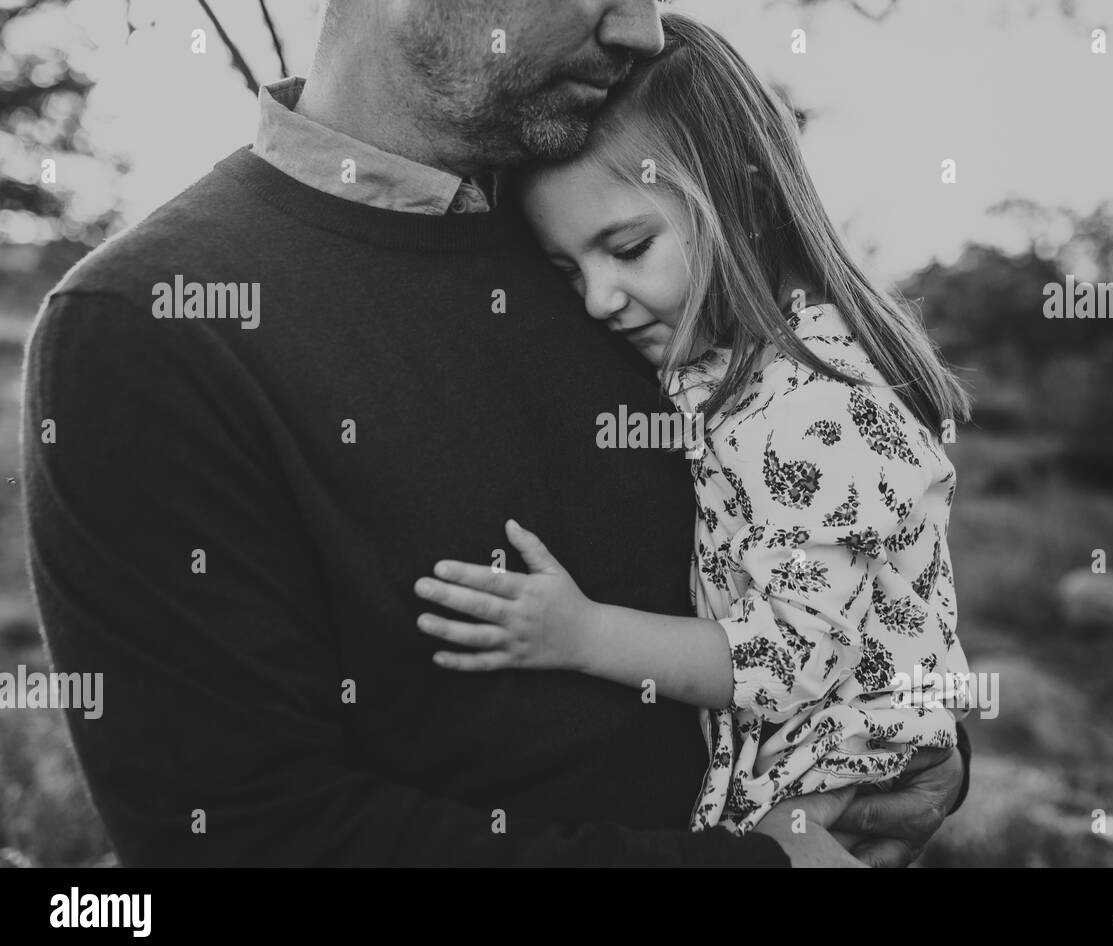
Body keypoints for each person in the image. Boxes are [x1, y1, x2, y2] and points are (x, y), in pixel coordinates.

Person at [22, 0, 968, 866]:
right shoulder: (146, 323)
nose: (640, 26)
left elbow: (838, 544)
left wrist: (908, 748)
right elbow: (249, 836)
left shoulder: (614, 217)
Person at [413, 12, 973, 838]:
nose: (600, 299)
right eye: (568, 270)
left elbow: (793, 658)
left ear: (742, 194)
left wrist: (582, 633)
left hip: (833, 773)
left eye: (629, 248)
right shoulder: (719, 362)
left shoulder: (815, 407)